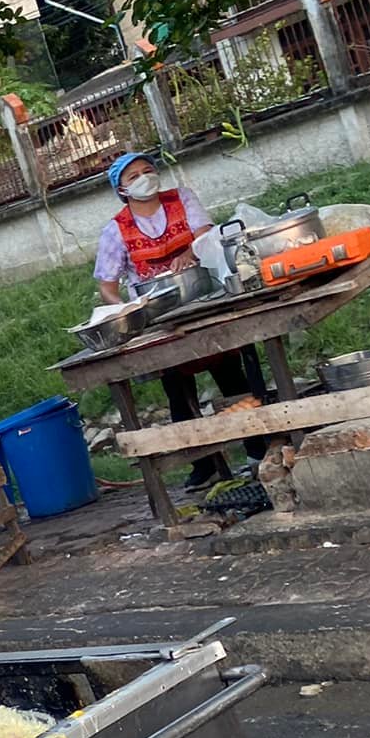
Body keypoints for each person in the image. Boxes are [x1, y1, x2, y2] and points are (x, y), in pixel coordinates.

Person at [93, 150, 263, 489]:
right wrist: (127, 309)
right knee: (177, 390)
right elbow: (106, 285)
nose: (145, 178)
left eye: (148, 170)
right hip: (160, 318)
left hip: (206, 298)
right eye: (134, 176)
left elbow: (205, 231)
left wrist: (191, 250)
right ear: (122, 190)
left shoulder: (182, 198)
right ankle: (203, 465)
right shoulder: (116, 230)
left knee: (232, 376)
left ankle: (260, 449)